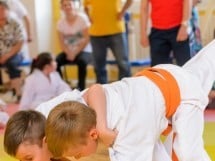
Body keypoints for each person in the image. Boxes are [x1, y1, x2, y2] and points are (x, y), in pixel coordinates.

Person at [37, 40, 215, 161]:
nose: (78, 159)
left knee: (187, 152)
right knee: (206, 61)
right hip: (159, 77)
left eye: (77, 155)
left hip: (182, 96)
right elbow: (95, 89)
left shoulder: (125, 134)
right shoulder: (85, 107)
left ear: (93, 135)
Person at [83, 0, 132, 84]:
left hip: (117, 31)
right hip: (96, 33)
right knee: (99, 67)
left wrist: (122, 12)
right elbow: (85, 7)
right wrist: (89, 17)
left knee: (123, 64)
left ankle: (125, 91)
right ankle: (102, 92)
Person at [140, 0, 192, 66]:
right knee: (158, 69)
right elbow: (143, 8)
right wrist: (143, 33)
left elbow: (187, 1)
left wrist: (184, 25)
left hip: (179, 28)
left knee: (185, 65)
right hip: (157, 32)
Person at [56, 0, 92, 90]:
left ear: (74, 6)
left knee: (82, 62)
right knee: (56, 61)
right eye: (65, 5)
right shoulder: (60, 23)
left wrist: (75, 52)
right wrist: (68, 52)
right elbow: (61, 42)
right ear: (61, 8)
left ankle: (81, 88)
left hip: (84, 50)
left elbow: (87, 39)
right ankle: (62, 87)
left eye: (69, 4)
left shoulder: (82, 19)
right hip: (69, 51)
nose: (67, 7)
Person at [0, 1, 24, 99]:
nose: (0, 11)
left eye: (2, 9)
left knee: (12, 63)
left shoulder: (14, 23)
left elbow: (19, 42)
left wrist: (7, 55)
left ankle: (18, 93)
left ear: (7, 10)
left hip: (14, 53)